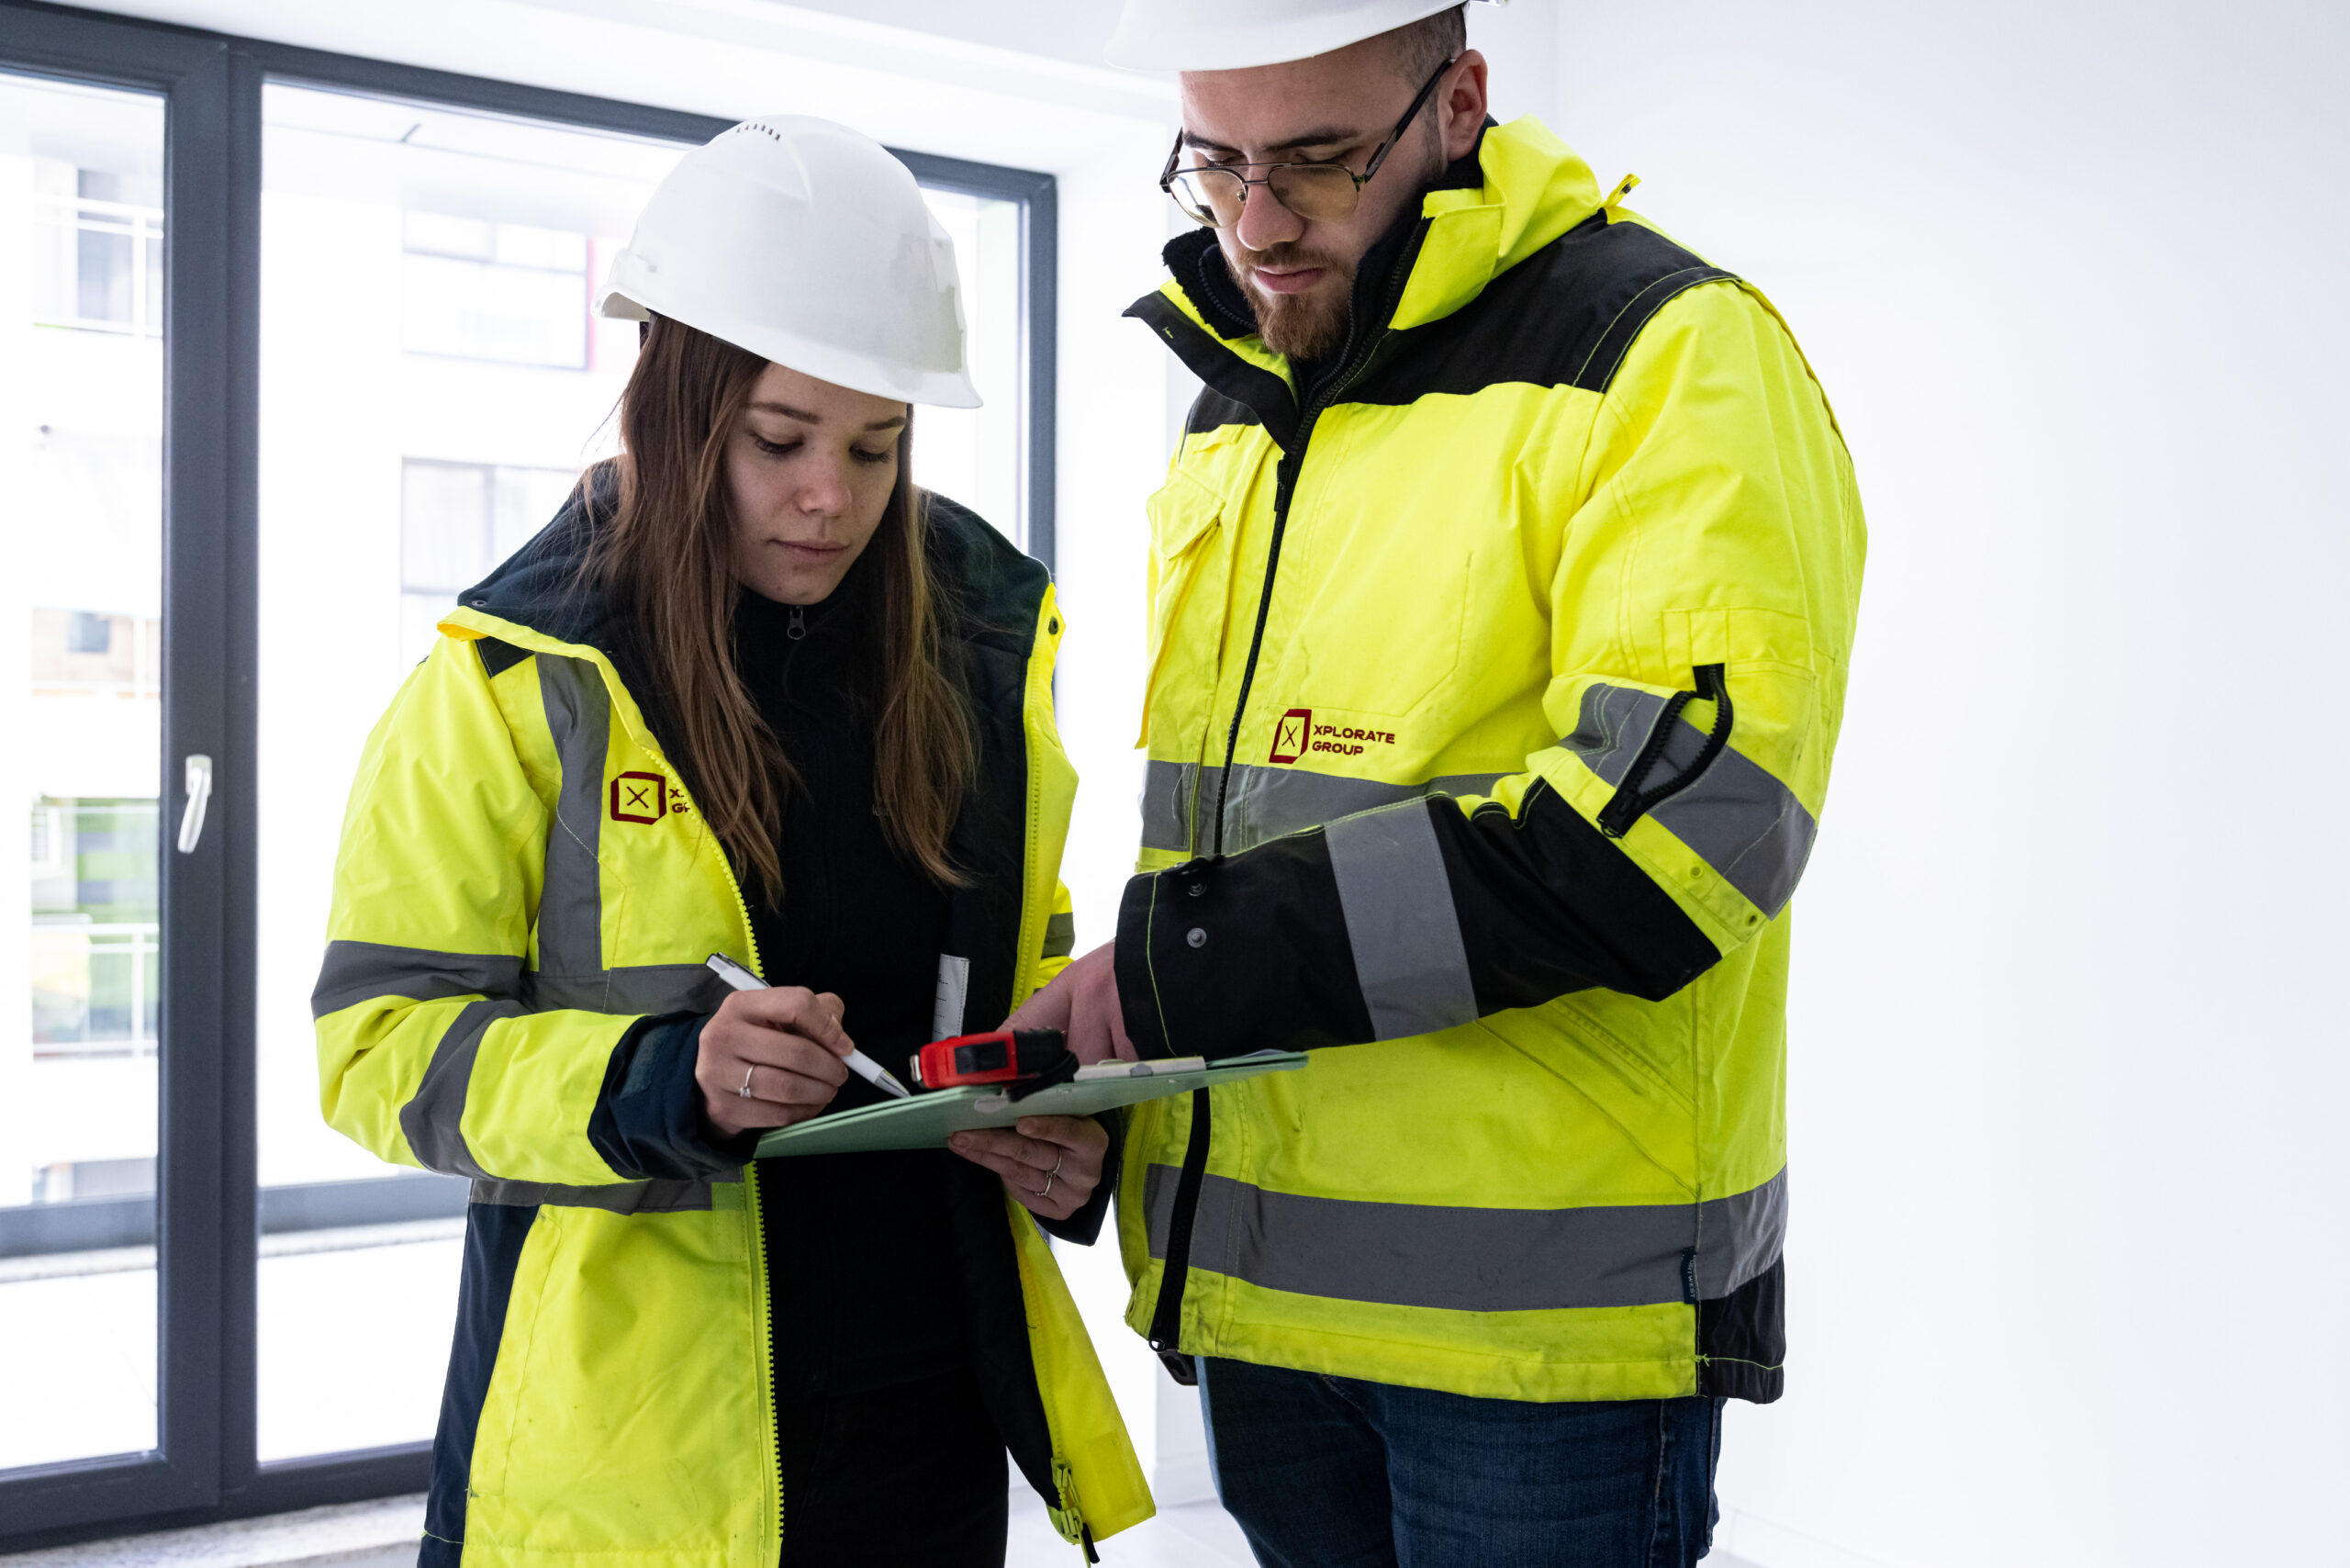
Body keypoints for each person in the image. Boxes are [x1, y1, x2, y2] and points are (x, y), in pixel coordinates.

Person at [1015, 5, 1867, 1565]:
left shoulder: (1668, 352)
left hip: (1542, 1346)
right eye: (1216, 163)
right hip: (1266, 1303)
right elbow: (1251, 827)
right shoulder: (1245, 394)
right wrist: (1119, 1072)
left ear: (1460, 102)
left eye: (1318, 160)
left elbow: (1682, 835)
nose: (1257, 225)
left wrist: (1180, 961)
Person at [311, 118, 1148, 1568]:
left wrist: (1072, 1132)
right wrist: (663, 1079)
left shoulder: (980, 658)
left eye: (876, 447)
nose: (831, 494)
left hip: (928, 1427)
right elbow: (377, 1049)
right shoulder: (514, 679)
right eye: (778, 440)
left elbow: (1029, 974)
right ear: (675, 402)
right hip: (631, 1468)